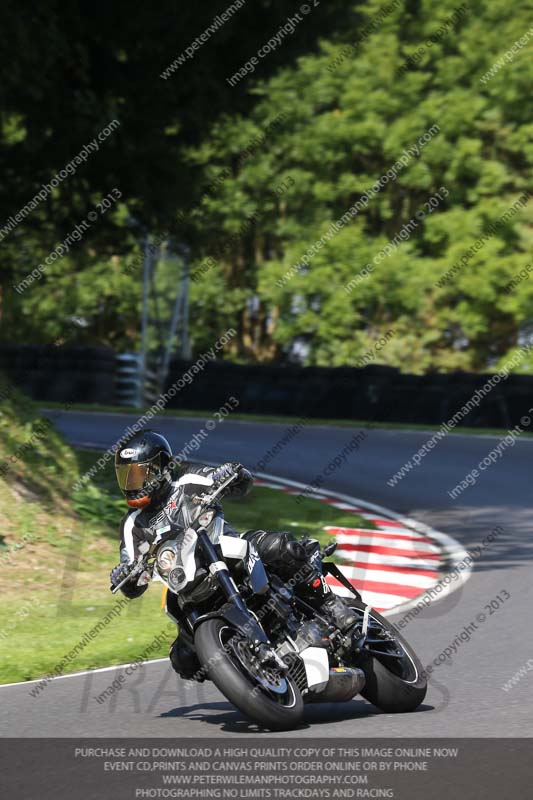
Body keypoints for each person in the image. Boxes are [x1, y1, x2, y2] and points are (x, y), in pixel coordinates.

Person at [110, 429, 356, 680]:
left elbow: (239, 483)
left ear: (160, 467)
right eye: (126, 477)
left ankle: (330, 604)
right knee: (183, 660)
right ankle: (246, 668)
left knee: (279, 546)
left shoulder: (188, 481)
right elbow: (131, 573)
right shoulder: (132, 525)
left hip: (227, 549)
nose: (132, 484)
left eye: (139, 475)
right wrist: (125, 574)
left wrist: (229, 473)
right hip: (189, 584)